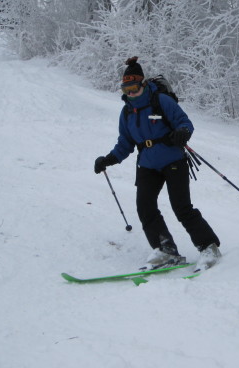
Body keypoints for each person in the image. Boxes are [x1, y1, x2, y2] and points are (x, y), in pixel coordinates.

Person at [94, 56, 221, 271]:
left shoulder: (161, 101)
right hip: (147, 164)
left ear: (143, 84)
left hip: (173, 161)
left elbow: (185, 122)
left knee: (182, 208)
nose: (131, 93)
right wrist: (109, 159)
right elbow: (125, 143)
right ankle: (165, 250)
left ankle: (209, 247)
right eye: (127, 90)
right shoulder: (126, 113)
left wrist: (182, 133)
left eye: (134, 88)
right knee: (145, 208)